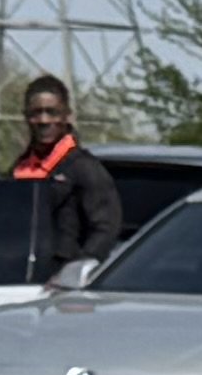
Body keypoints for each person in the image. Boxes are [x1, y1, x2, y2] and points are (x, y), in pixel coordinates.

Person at [9, 77, 126, 279]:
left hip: (64, 284)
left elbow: (105, 229)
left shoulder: (85, 168)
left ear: (67, 116)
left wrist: (74, 274)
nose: (44, 121)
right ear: (26, 117)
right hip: (19, 276)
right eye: (36, 113)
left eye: (52, 112)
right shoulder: (18, 168)